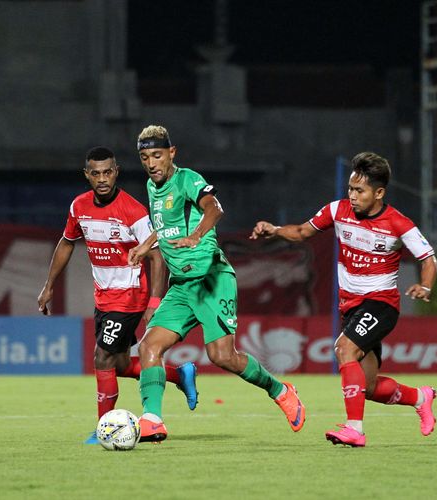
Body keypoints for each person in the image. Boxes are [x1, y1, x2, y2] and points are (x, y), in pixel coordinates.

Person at [128, 125, 306, 442]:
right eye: (145, 158)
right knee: (149, 347)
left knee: (222, 356)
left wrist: (197, 235)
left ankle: (279, 389)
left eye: (157, 155)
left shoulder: (187, 179)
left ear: (172, 153)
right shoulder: (152, 187)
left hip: (212, 279)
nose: (151, 163)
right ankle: (152, 420)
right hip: (182, 286)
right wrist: (145, 246)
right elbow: (165, 226)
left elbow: (215, 208)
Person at [251, 152, 437, 447]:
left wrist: (425, 286)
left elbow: (429, 259)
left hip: (381, 304)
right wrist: (274, 230)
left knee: (344, 349)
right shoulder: (337, 210)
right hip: (351, 307)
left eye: (359, 191)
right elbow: (301, 232)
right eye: (350, 189)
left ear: (379, 193)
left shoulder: (398, 223)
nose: (352, 196)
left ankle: (355, 429)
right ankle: (420, 398)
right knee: (370, 386)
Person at [37, 146, 198, 444]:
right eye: (95, 173)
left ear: (116, 172)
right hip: (104, 298)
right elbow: (67, 242)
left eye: (107, 172)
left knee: (102, 357)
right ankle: (179, 374)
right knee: (120, 364)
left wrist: (153, 301)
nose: (102, 179)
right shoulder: (78, 207)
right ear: (87, 175)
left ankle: (104, 429)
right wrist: (49, 285)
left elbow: (157, 255)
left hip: (129, 297)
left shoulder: (134, 211)